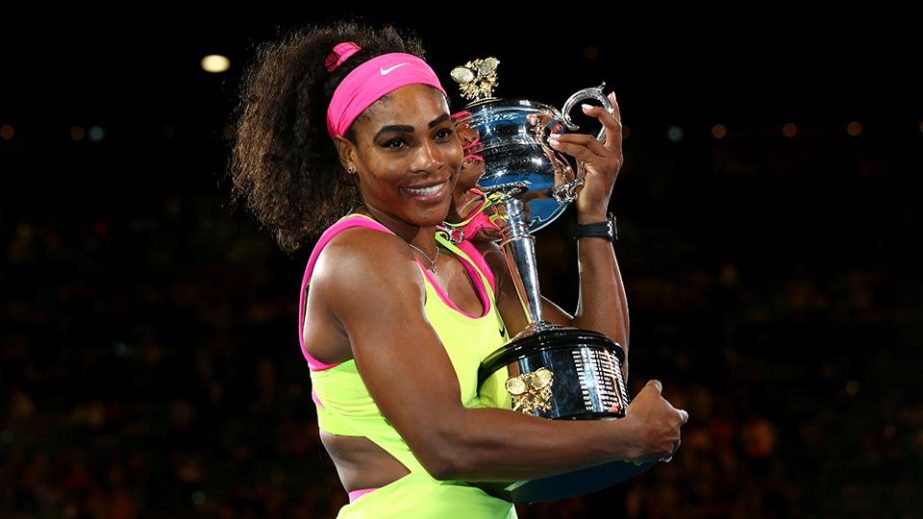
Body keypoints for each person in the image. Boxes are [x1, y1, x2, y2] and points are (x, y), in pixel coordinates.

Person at [230, 20, 688, 518]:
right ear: (349, 155)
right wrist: (625, 438)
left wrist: (593, 214)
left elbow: (596, 376)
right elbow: (446, 444)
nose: (429, 161)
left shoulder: (472, 254)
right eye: (396, 143)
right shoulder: (359, 258)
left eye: (441, 134)